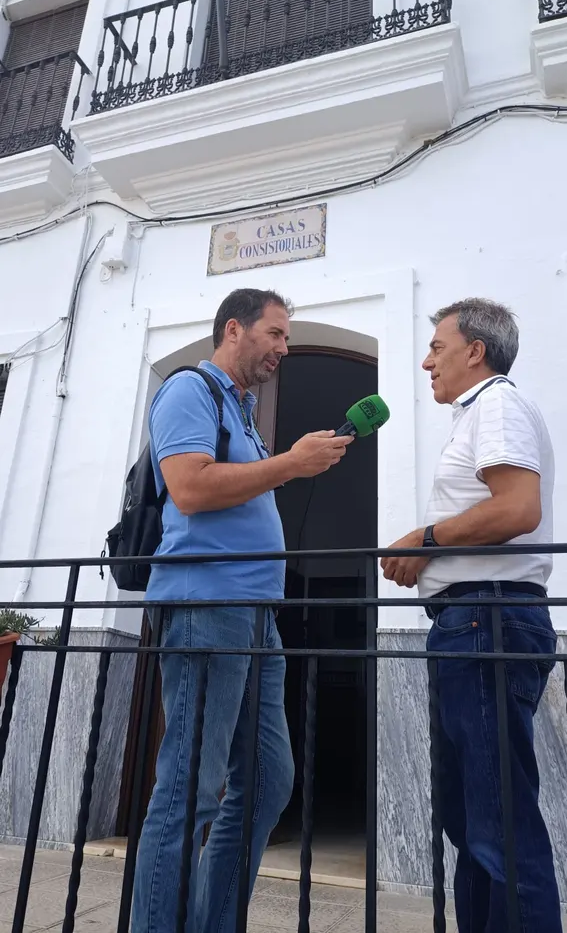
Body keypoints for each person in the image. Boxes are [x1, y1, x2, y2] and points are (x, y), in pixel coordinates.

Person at [132, 288, 353, 933]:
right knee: (188, 790)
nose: (285, 348)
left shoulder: (244, 411)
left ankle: (212, 921)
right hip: (208, 605)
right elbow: (191, 487)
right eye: (277, 334)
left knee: (267, 781)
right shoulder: (188, 391)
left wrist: (285, 463)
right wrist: (291, 464)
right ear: (235, 329)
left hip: (255, 614)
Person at [381, 298, 560, 933]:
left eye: (438, 346)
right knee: (473, 822)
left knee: (497, 825)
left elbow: (517, 509)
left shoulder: (499, 405)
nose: (427, 360)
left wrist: (424, 541)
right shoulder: (477, 416)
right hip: (472, 621)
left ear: (475, 351)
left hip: (488, 619)